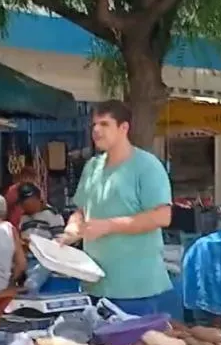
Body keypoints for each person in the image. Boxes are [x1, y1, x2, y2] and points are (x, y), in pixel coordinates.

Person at [59, 100, 172, 315]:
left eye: (104, 124)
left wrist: (109, 225)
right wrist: (71, 231)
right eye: (94, 125)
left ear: (124, 128)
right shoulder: (92, 167)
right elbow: (81, 211)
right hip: (94, 284)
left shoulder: (147, 166)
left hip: (135, 289)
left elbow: (162, 216)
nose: (96, 131)